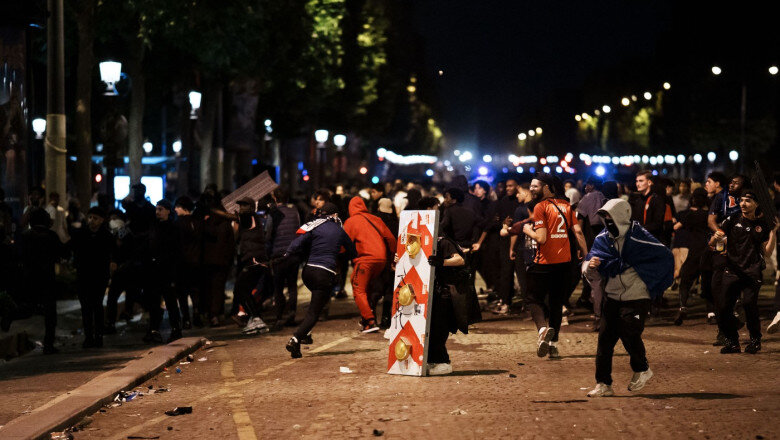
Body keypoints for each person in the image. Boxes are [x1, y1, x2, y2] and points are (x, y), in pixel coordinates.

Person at [584, 198, 673, 397]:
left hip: (637, 296)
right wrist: (590, 266)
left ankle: (642, 369)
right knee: (604, 342)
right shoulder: (603, 239)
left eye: (609, 215)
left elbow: (664, 256)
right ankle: (603, 384)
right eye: (604, 216)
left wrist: (650, 283)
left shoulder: (640, 237)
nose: (606, 220)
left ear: (621, 215)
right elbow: (590, 261)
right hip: (612, 296)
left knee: (630, 333)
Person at [523, 174, 587, 358]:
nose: (532, 189)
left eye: (536, 186)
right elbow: (578, 231)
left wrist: (528, 230)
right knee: (556, 304)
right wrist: (585, 253)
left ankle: (543, 329)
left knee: (533, 299)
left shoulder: (541, 207)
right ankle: (553, 343)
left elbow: (541, 238)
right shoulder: (566, 205)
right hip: (564, 263)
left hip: (544, 262)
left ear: (547, 187)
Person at [283, 202, 356, 358]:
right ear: (335, 215)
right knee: (314, 312)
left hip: (308, 272)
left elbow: (298, 242)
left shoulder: (314, 226)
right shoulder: (339, 230)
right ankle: (295, 339)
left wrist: (287, 254)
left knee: (315, 302)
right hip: (324, 274)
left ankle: (307, 333)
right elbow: (352, 251)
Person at [710, 189, 777, 354]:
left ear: (756, 204)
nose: (743, 204)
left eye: (748, 200)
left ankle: (755, 340)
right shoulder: (732, 219)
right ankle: (733, 342)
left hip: (752, 272)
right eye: (741, 200)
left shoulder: (761, 225)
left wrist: (774, 232)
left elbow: (767, 252)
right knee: (724, 307)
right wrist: (715, 239)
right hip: (732, 270)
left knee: (749, 304)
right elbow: (713, 243)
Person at [425, 233, 479, 375]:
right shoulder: (424, 243)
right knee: (431, 329)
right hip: (436, 294)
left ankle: (442, 362)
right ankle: (432, 360)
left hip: (446, 294)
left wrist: (441, 262)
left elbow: (460, 260)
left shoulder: (443, 242)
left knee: (438, 329)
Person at [343, 196, 396, 332]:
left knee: (358, 288)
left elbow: (343, 245)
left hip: (366, 259)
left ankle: (370, 320)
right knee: (368, 288)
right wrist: (392, 258)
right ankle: (366, 319)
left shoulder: (351, 221)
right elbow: (391, 239)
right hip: (381, 260)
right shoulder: (375, 219)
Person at [20, 208, 68, 354]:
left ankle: (11, 314)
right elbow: (62, 253)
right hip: (47, 277)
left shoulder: (25, 236)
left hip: (29, 276)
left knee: (29, 306)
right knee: (50, 313)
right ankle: (48, 344)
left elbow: (20, 255)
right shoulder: (51, 236)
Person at [71, 207, 114, 348]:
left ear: (102, 220)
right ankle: (89, 336)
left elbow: (111, 254)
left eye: (95, 218)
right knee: (86, 307)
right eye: (90, 217)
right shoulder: (81, 234)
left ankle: (98, 336)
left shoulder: (106, 236)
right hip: (84, 274)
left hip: (99, 275)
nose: (91, 221)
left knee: (97, 305)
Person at [475, 177, 520, 314]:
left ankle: (528, 305)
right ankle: (505, 302)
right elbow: (497, 220)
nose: (508, 188)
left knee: (524, 276)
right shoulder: (503, 201)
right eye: (507, 186)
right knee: (505, 273)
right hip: (505, 241)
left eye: (511, 186)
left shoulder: (521, 201)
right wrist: (504, 224)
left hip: (521, 241)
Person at [143, 200, 183, 343]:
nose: (157, 212)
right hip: (155, 271)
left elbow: (176, 251)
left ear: (168, 211)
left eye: (160, 209)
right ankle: (153, 330)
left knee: (170, 302)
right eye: (156, 209)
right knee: (154, 302)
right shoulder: (154, 226)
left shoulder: (173, 228)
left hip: (167, 271)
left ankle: (176, 329)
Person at [233, 197, 272, 335]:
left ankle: (255, 318)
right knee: (245, 290)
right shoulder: (249, 219)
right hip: (254, 259)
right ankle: (255, 318)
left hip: (253, 260)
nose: (241, 208)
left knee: (240, 289)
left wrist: (234, 218)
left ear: (250, 207)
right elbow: (236, 237)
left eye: (244, 205)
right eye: (240, 205)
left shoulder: (248, 217)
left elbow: (238, 221)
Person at [673, 188, 711, 326]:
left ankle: (683, 307)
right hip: (708, 252)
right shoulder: (710, 215)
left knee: (685, 281)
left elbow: (677, 227)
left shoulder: (690, 215)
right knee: (708, 283)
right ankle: (711, 313)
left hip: (694, 252)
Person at [266, 188, 302, 330]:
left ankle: (279, 317)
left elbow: (268, 234)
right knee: (292, 286)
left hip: (278, 255)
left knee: (278, 287)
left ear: (275, 198)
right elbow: (298, 229)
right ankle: (292, 314)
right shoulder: (294, 211)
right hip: (293, 253)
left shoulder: (273, 213)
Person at [174, 196, 202, 329]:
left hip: (182, 262)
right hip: (196, 261)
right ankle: (197, 313)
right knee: (195, 290)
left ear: (184, 208)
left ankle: (186, 318)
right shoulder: (197, 222)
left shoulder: (178, 223)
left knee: (182, 292)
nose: (175, 209)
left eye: (177, 207)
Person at [629, 170, 665, 242]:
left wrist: (640, 229)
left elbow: (658, 223)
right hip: (638, 239)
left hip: (652, 240)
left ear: (649, 182)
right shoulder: (637, 200)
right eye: (637, 181)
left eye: (641, 181)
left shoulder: (657, 200)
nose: (638, 184)